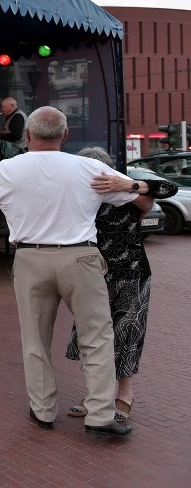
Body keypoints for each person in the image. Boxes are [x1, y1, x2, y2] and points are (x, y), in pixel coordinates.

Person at [0, 106, 149, 436]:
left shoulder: (7, 170)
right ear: (65, 136)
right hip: (81, 259)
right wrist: (135, 186)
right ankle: (101, 415)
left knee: (35, 338)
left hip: (31, 260)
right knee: (97, 336)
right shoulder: (89, 168)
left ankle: (44, 411)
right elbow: (143, 205)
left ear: (28, 136)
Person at [65, 147, 178, 422]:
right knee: (91, 335)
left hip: (132, 273)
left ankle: (124, 394)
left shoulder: (127, 194)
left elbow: (166, 190)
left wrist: (127, 184)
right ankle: (96, 394)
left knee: (127, 333)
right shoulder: (77, 197)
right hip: (92, 275)